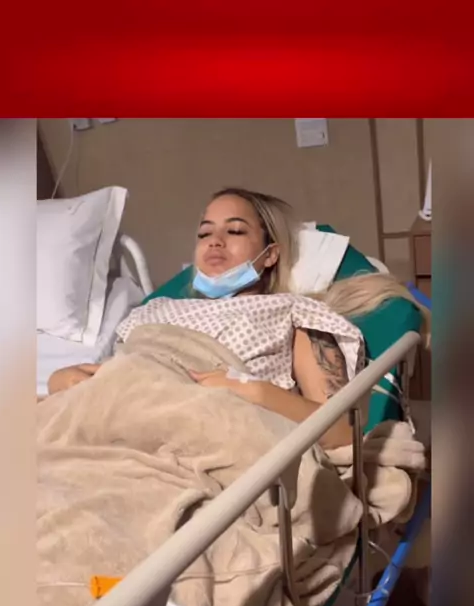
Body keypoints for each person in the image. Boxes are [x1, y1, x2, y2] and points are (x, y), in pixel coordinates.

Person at [46, 188, 425, 449]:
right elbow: (120, 380)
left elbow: (342, 432)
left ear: (271, 254)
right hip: (115, 430)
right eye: (205, 233)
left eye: (235, 230)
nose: (215, 240)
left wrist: (254, 392)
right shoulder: (151, 312)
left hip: (204, 438)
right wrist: (65, 381)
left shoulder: (290, 313)